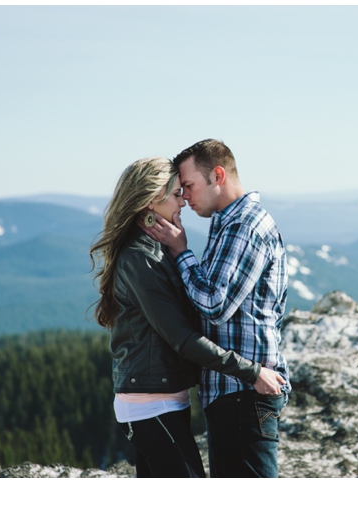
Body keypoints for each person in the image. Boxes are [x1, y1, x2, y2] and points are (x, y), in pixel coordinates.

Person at [89, 156, 285, 478]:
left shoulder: (157, 250)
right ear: (152, 200)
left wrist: (180, 250)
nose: (184, 201)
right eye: (177, 193)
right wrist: (252, 372)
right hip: (151, 404)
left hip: (164, 399)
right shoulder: (141, 258)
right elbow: (182, 338)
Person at [141, 139, 290, 478]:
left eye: (189, 186)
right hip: (236, 392)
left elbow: (214, 304)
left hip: (245, 394)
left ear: (217, 175)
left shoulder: (243, 226)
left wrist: (181, 251)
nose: (185, 197)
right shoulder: (227, 224)